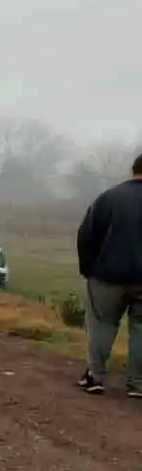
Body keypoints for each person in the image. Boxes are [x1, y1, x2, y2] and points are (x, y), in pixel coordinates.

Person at [76, 152, 142, 397]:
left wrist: (89, 268)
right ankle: (137, 383)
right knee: (141, 328)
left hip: (107, 276)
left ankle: (96, 376)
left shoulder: (110, 198)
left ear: (133, 169)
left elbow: (87, 235)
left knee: (102, 324)